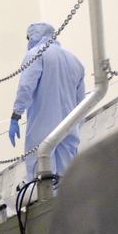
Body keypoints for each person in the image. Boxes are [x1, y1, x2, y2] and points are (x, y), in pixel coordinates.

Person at [9, 22, 86, 181]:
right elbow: (81, 102)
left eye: (29, 37)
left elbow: (26, 87)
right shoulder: (75, 61)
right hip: (69, 130)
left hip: (42, 130)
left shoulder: (36, 54)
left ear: (35, 36)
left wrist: (16, 115)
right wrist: (76, 127)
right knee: (67, 180)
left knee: (42, 179)